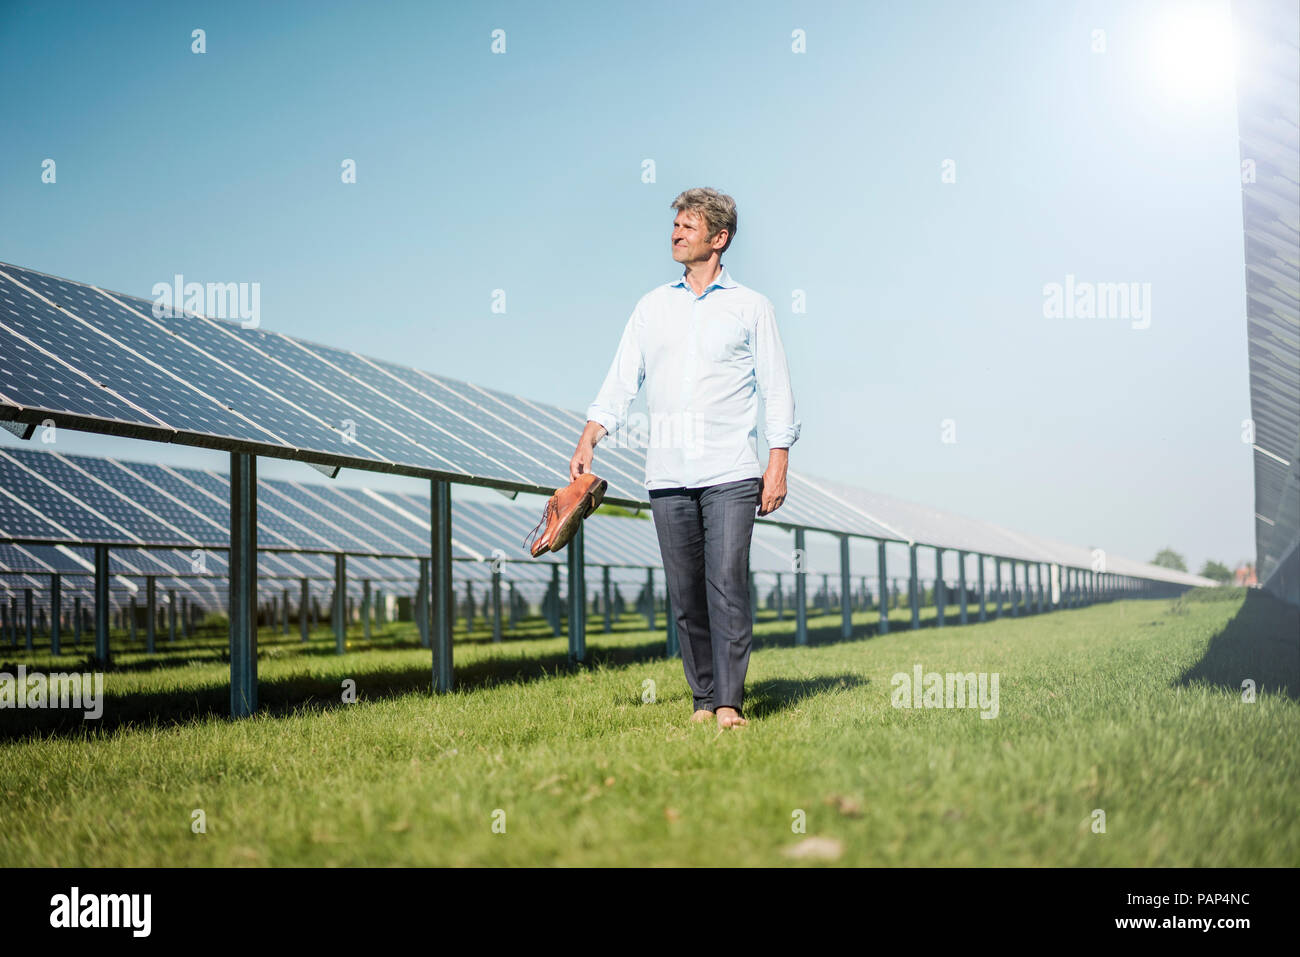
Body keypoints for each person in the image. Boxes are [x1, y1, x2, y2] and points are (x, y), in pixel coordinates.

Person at [569, 187, 800, 729]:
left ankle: (728, 704)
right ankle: (702, 699)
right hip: (668, 475)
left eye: (688, 226)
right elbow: (622, 380)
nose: (675, 233)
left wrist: (778, 461)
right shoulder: (652, 307)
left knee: (726, 583)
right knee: (686, 593)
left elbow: (778, 387)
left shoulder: (751, 307)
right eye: (675, 225)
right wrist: (589, 437)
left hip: (731, 471)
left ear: (718, 239)